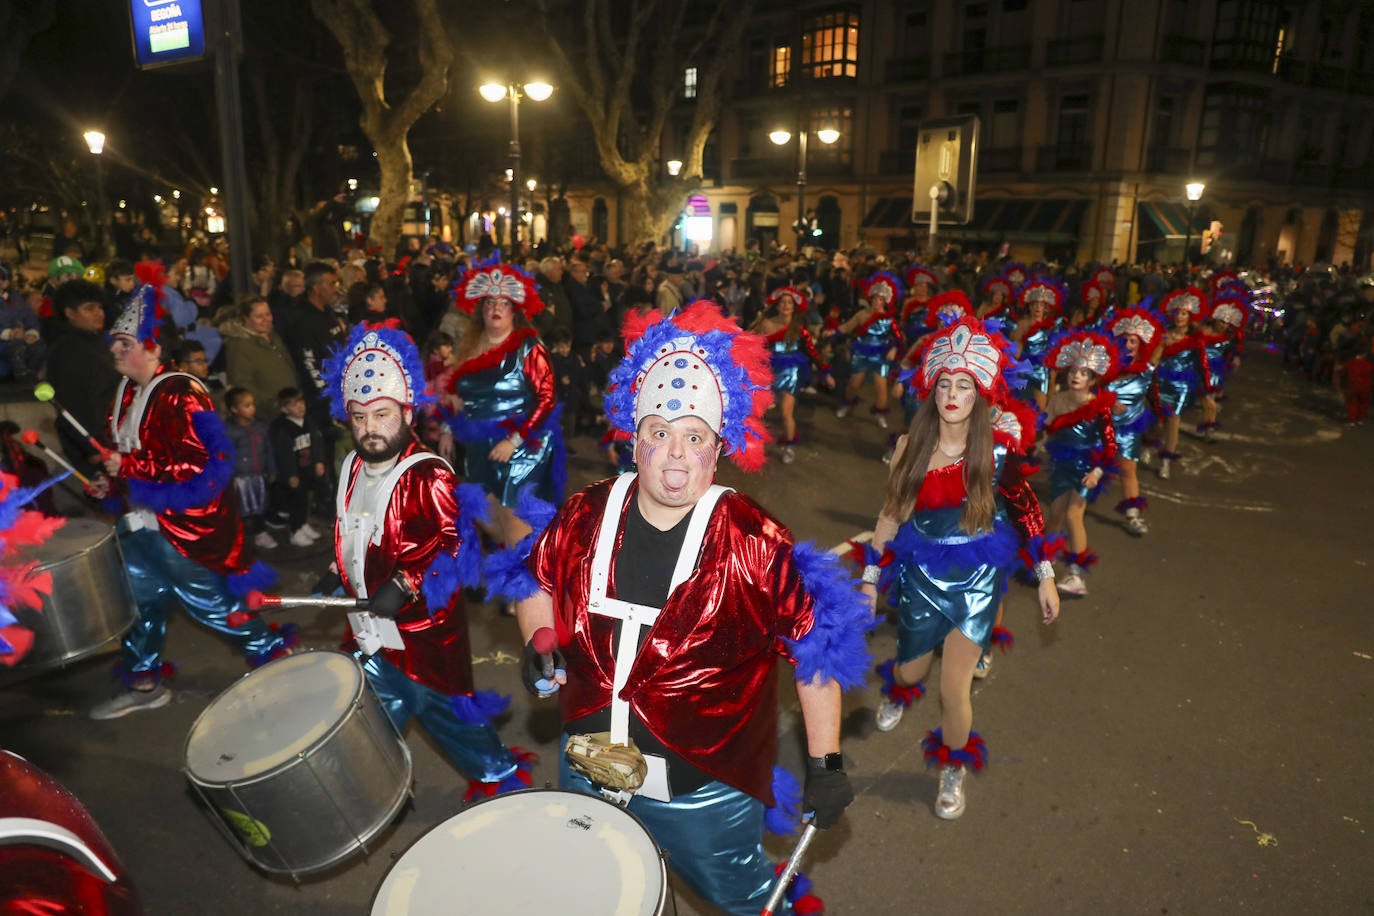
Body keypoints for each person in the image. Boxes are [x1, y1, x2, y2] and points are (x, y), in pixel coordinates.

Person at [504, 302, 870, 915]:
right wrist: (541, 642)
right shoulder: (586, 512)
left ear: (718, 447)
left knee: (746, 901)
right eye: (659, 432)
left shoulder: (754, 539)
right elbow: (534, 580)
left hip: (706, 793)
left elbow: (816, 648)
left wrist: (826, 762)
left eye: (694, 436)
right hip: (587, 771)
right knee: (607, 896)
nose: (675, 454)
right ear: (634, 437)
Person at [320, 322, 533, 798]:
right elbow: (351, 526)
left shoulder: (429, 475)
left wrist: (406, 583)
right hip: (368, 624)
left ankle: (496, 771)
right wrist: (338, 568)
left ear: (407, 411)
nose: (371, 428)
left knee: (442, 710)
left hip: (423, 635)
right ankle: (382, 783)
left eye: (382, 414)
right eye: (359, 417)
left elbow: (456, 545)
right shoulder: (352, 466)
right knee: (368, 706)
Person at [862, 315, 1059, 820]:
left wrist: (1045, 576)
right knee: (910, 666)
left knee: (954, 687)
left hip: (975, 574)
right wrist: (868, 578)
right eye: (945, 383)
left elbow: (1027, 511)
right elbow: (890, 515)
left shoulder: (995, 449)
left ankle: (953, 766)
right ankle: (902, 688)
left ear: (980, 392)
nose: (953, 393)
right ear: (933, 390)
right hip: (921, 571)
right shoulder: (911, 446)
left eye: (964, 385)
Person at [88, 270, 291, 720]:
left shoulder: (182, 393)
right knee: (139, 604)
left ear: (153, 348)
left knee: (213, 605)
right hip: (138, 521)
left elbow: (207, 462)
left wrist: (133, 468)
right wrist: (111, 481)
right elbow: (129, 451)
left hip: (182, 525)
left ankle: (276, 656)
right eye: (115, 345)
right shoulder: (126, 392)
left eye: (127, 345)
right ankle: (143, 682)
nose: (117, 353)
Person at [446, 261, 563, 554]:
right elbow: (455, 393)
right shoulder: (470, 347)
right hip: (479, 450)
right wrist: (448, 429)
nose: (495, 308)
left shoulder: (528, 347)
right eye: (488, 302)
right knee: (490, 524)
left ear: (515, 309)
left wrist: (514, 441)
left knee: (516, 532)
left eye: (503, 302)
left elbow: (547, 398)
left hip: (522, 449)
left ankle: (523, 595)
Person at [1042, 331, 1121, 597]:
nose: (1077, 376)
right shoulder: (1057, 400)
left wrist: (1097, 472)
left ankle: (1076, 575)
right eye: (1073, 371)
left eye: (1084, 373)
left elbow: (1111, 445)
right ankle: (1046, 559)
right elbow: (1046, 429)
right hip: (1061, 464)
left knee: (1074, 516)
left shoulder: (1099, 407)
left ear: (1093, 379)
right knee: (1054, 515)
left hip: (1088, 467)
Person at [45, 279, 120, 473]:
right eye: (89, 308)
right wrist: (92, 447)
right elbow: (72, 405)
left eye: (100, 307)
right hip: (97, 448)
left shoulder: (96, 343)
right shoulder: (67, 351)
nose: (99, 313)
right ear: (70, 313)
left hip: (114, 439)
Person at [753, 285, 831, 464]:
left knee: (786, 413)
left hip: (791, 373)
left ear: (794, 307)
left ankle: (789, 446)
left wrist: (825, 371)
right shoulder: (766, 323)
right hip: (769, 372)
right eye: (783, 302)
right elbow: (752, 344)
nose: (786, 305)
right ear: (777, 306)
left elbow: (813, 352)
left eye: (789, 302)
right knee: (757, 411)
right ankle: (754, 445)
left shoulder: (800, 329)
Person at [1106, 308, 1164, 536]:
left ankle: (1132, 514)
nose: (1128, 345)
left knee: (1128, 469)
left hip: (1129, 427)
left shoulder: (1146, 371)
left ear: (1141, 345)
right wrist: (1107, 402)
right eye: (1125, 341)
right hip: (1102, 426)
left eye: (1133, 341)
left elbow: (1158, 353)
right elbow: (1091, 392)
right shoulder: (1107, 369)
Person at [1153, 288, 1210, 479]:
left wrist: (1206, 386)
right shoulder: (1165, 336)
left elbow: (1202, 362)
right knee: (1156, 421)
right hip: (1161, 381)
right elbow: (1155, 359)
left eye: (1184, 313)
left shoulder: (1195, 339)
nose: (1179, 316)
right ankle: (1149, 443)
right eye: (1177, 312)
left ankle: (1166, 461)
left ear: (1190, 316)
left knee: (1173, 419)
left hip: (1181, 385)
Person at [836, 270, 904, 428]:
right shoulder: (862, 315)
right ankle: (847, 404)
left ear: (885, 301)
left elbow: (899, 338)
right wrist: (835, 331)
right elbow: (848, 326)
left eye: (880, 299)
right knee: (854, 383)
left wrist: (893, 349)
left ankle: (880, 413)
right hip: (861, 353)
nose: (876, 302)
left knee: (881, 388)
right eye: (874, 299)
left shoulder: (889, 320)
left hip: (880, 356)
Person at [220, 295, 301, 417]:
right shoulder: (238, 347)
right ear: (245, 318)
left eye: (268, 314)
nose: (266, 319)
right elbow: (242, 385)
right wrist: (273, 405)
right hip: (269, 415)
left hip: (293, 408)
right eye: (259, 316)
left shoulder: (274, 337)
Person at [267, 387, 326, 546]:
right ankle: (295, 530)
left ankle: (302, 524)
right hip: (293, 473)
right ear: (284, 409)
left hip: (307, 470)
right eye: (293, 405)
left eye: (301, 402)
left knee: (306, 500)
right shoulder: (282, 429)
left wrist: (319, 461)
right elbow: (282, 455)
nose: (300, 407)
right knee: (294, 502)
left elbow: (317, 442)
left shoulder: (308, 421)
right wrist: (290, 475)